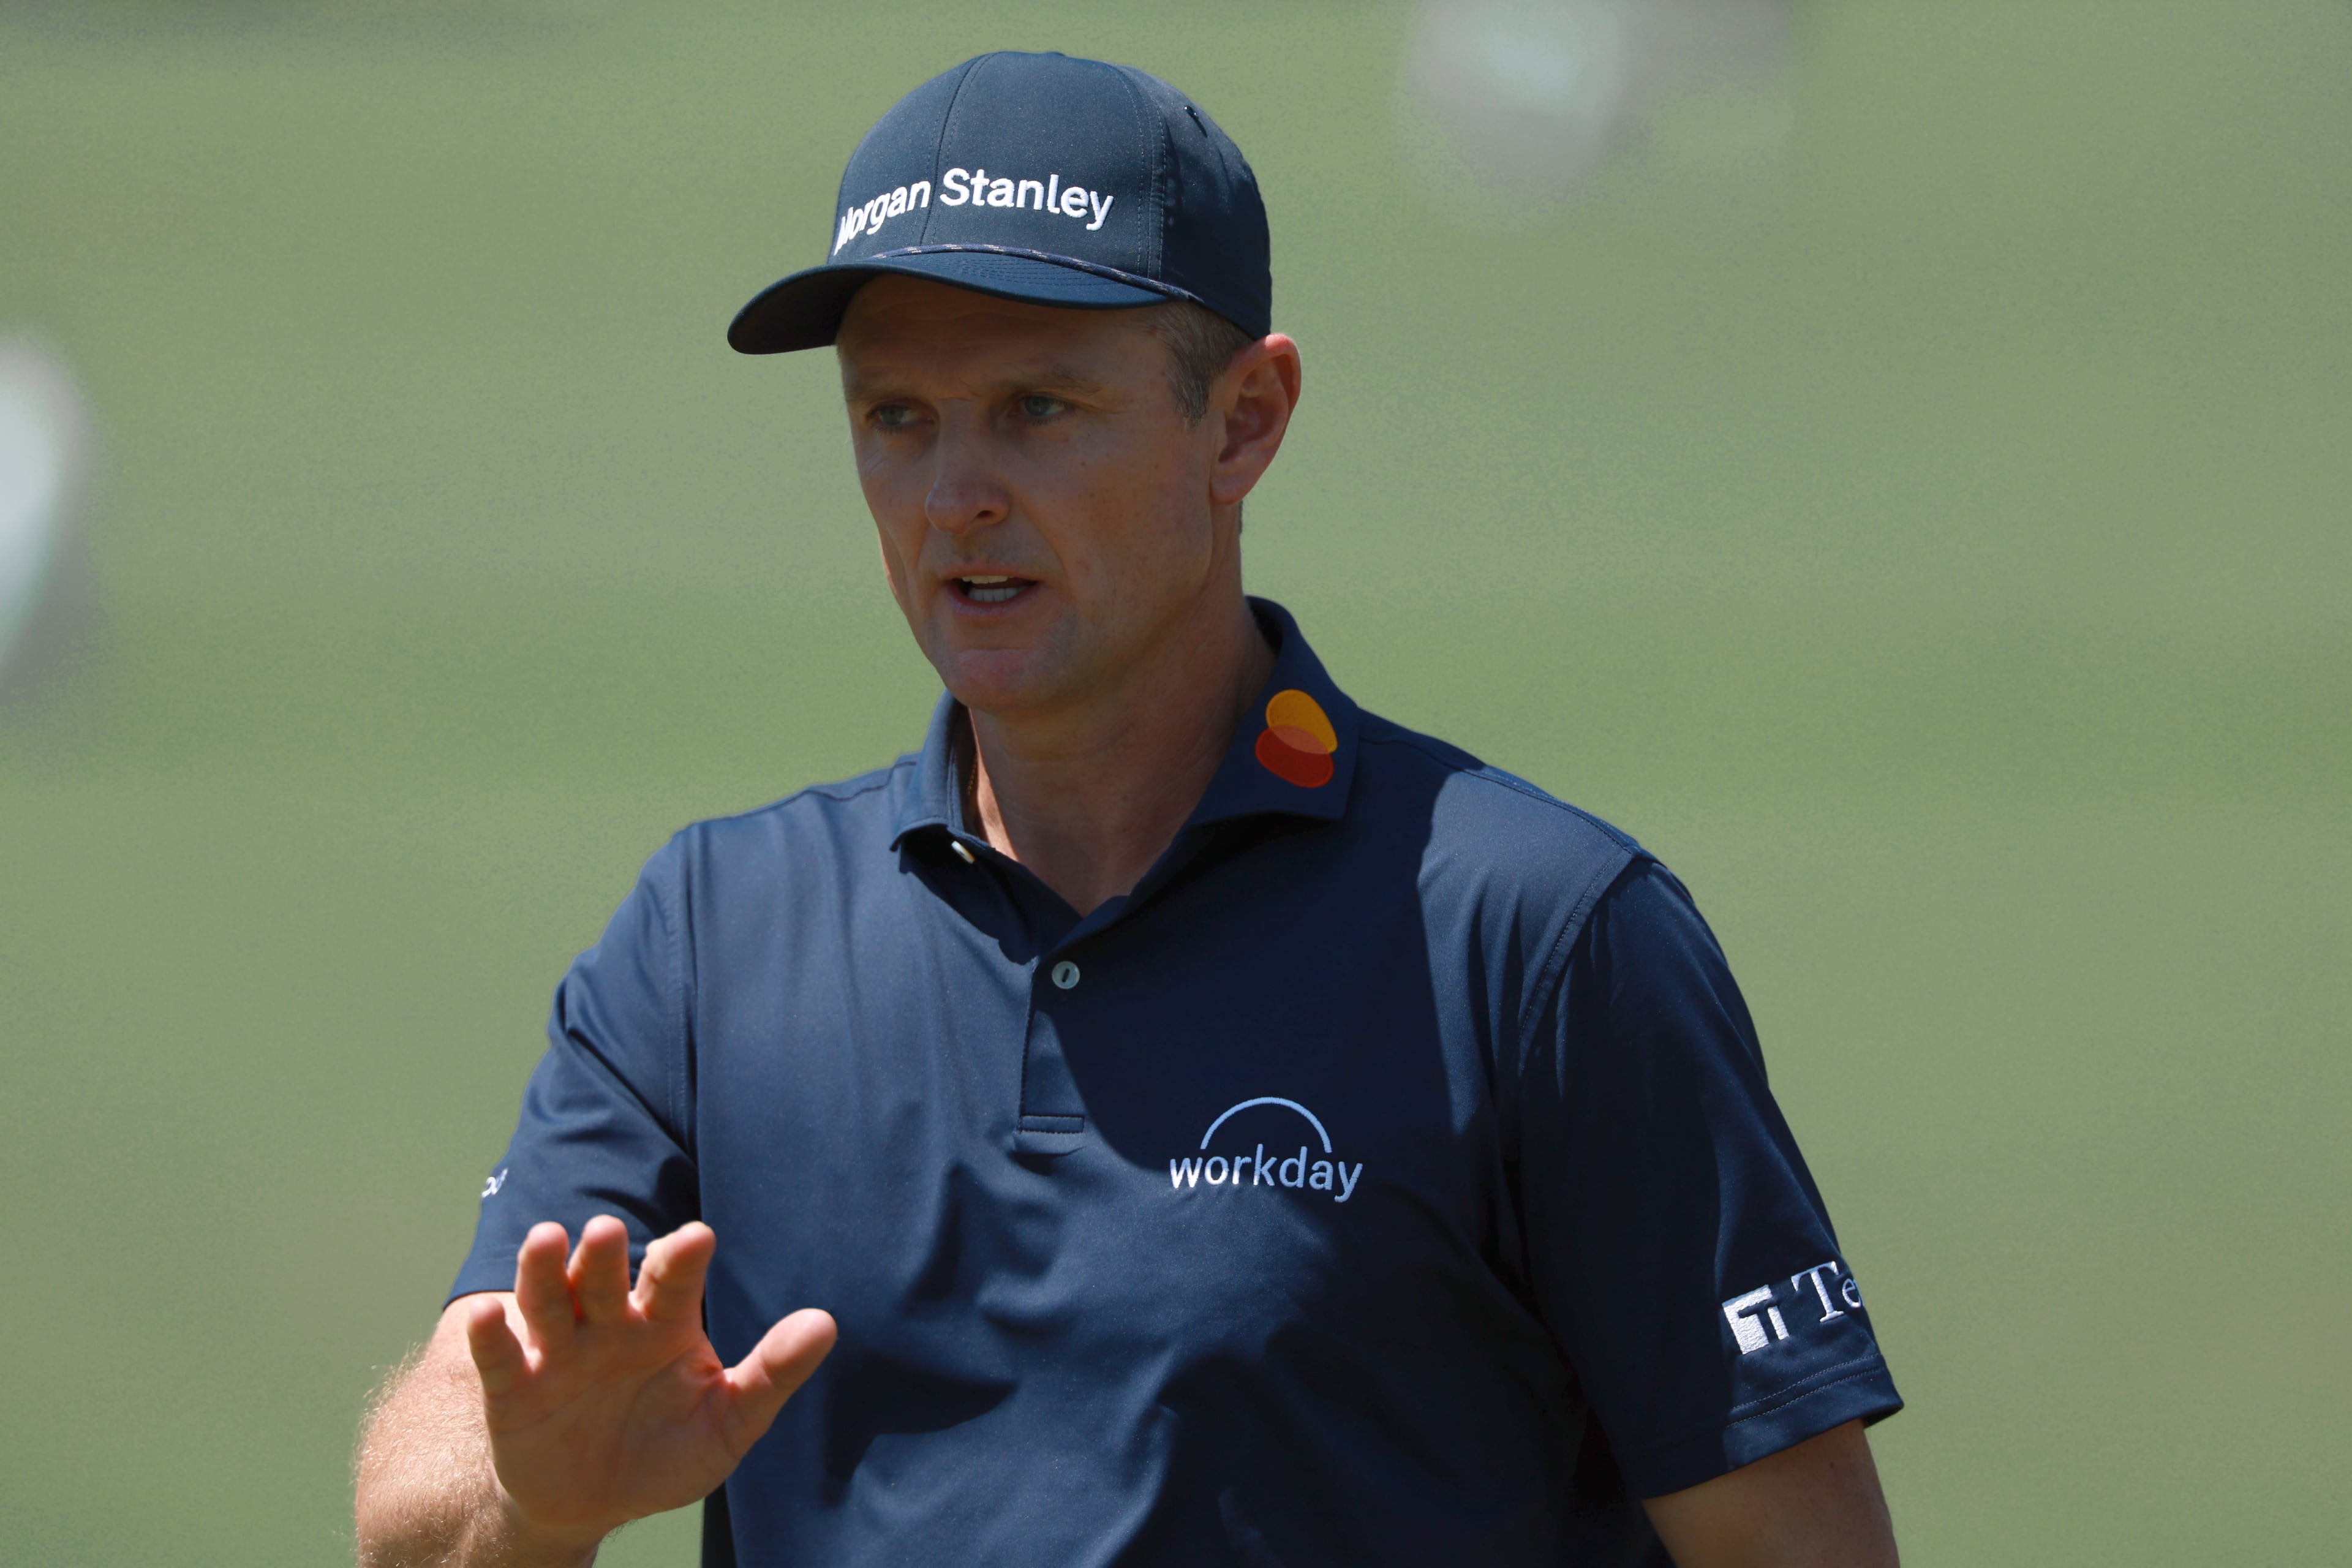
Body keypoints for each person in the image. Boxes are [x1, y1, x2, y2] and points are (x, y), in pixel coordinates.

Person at [354, 50, 1902, 1568]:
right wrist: (536, 1503)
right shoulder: (712, 933)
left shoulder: (1538, 939)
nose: (956, 490)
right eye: (896, 414)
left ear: (1244, 422)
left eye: (1037, 408)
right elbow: (419, 1506)